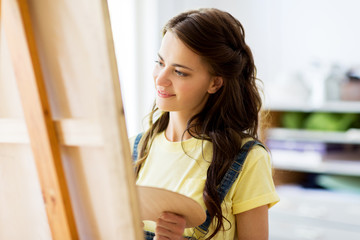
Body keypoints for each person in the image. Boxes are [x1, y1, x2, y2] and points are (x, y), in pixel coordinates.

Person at [131, 8, 279, 240]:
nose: (160, 78)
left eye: (180, 72)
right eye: (160, 62)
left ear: (215, 83)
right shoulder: (134, 149)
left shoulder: (246, 159)